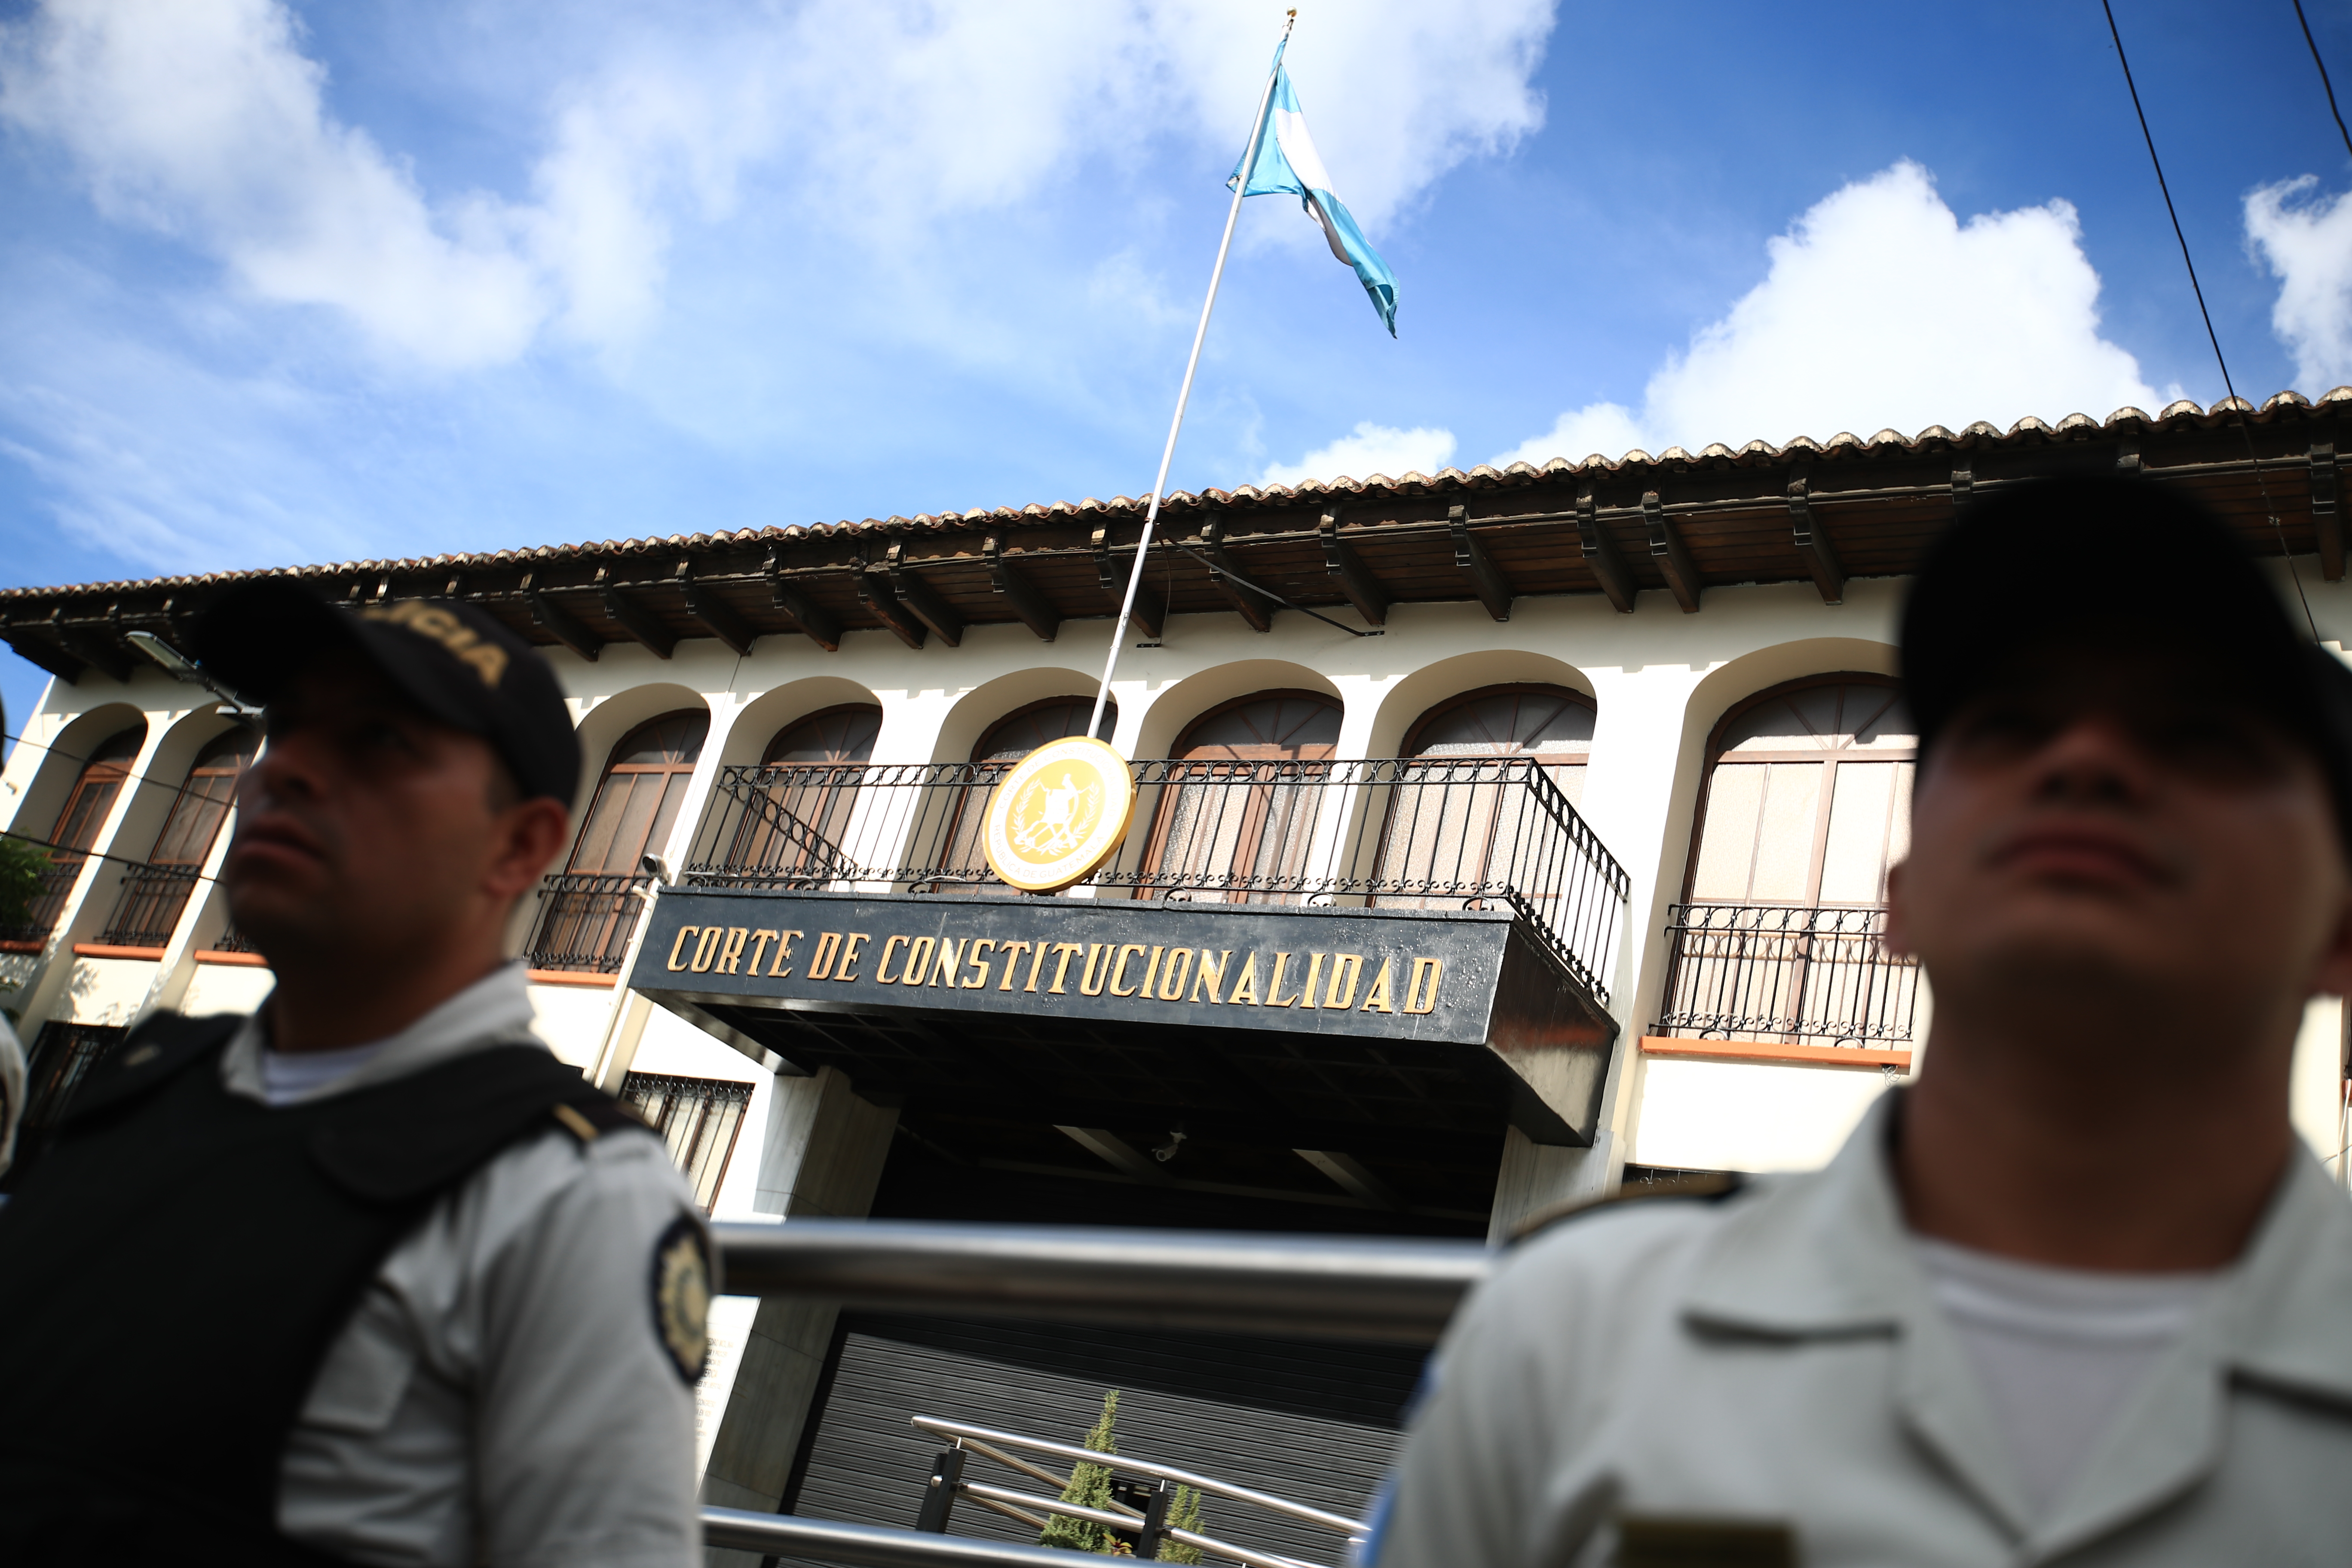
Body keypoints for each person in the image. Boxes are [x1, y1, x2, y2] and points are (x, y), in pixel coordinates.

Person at [1369, 475, 2352, 1567]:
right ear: (1903, 896)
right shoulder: (1572, 1323)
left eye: (2205, 737)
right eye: (2009, 726)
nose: (2087, 761)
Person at [0, 583, 710, 1566]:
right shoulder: (140, 1082)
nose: (285, 772)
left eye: (378, 741)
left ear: (520, 846)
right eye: (283, 728)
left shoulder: (565, 1189)